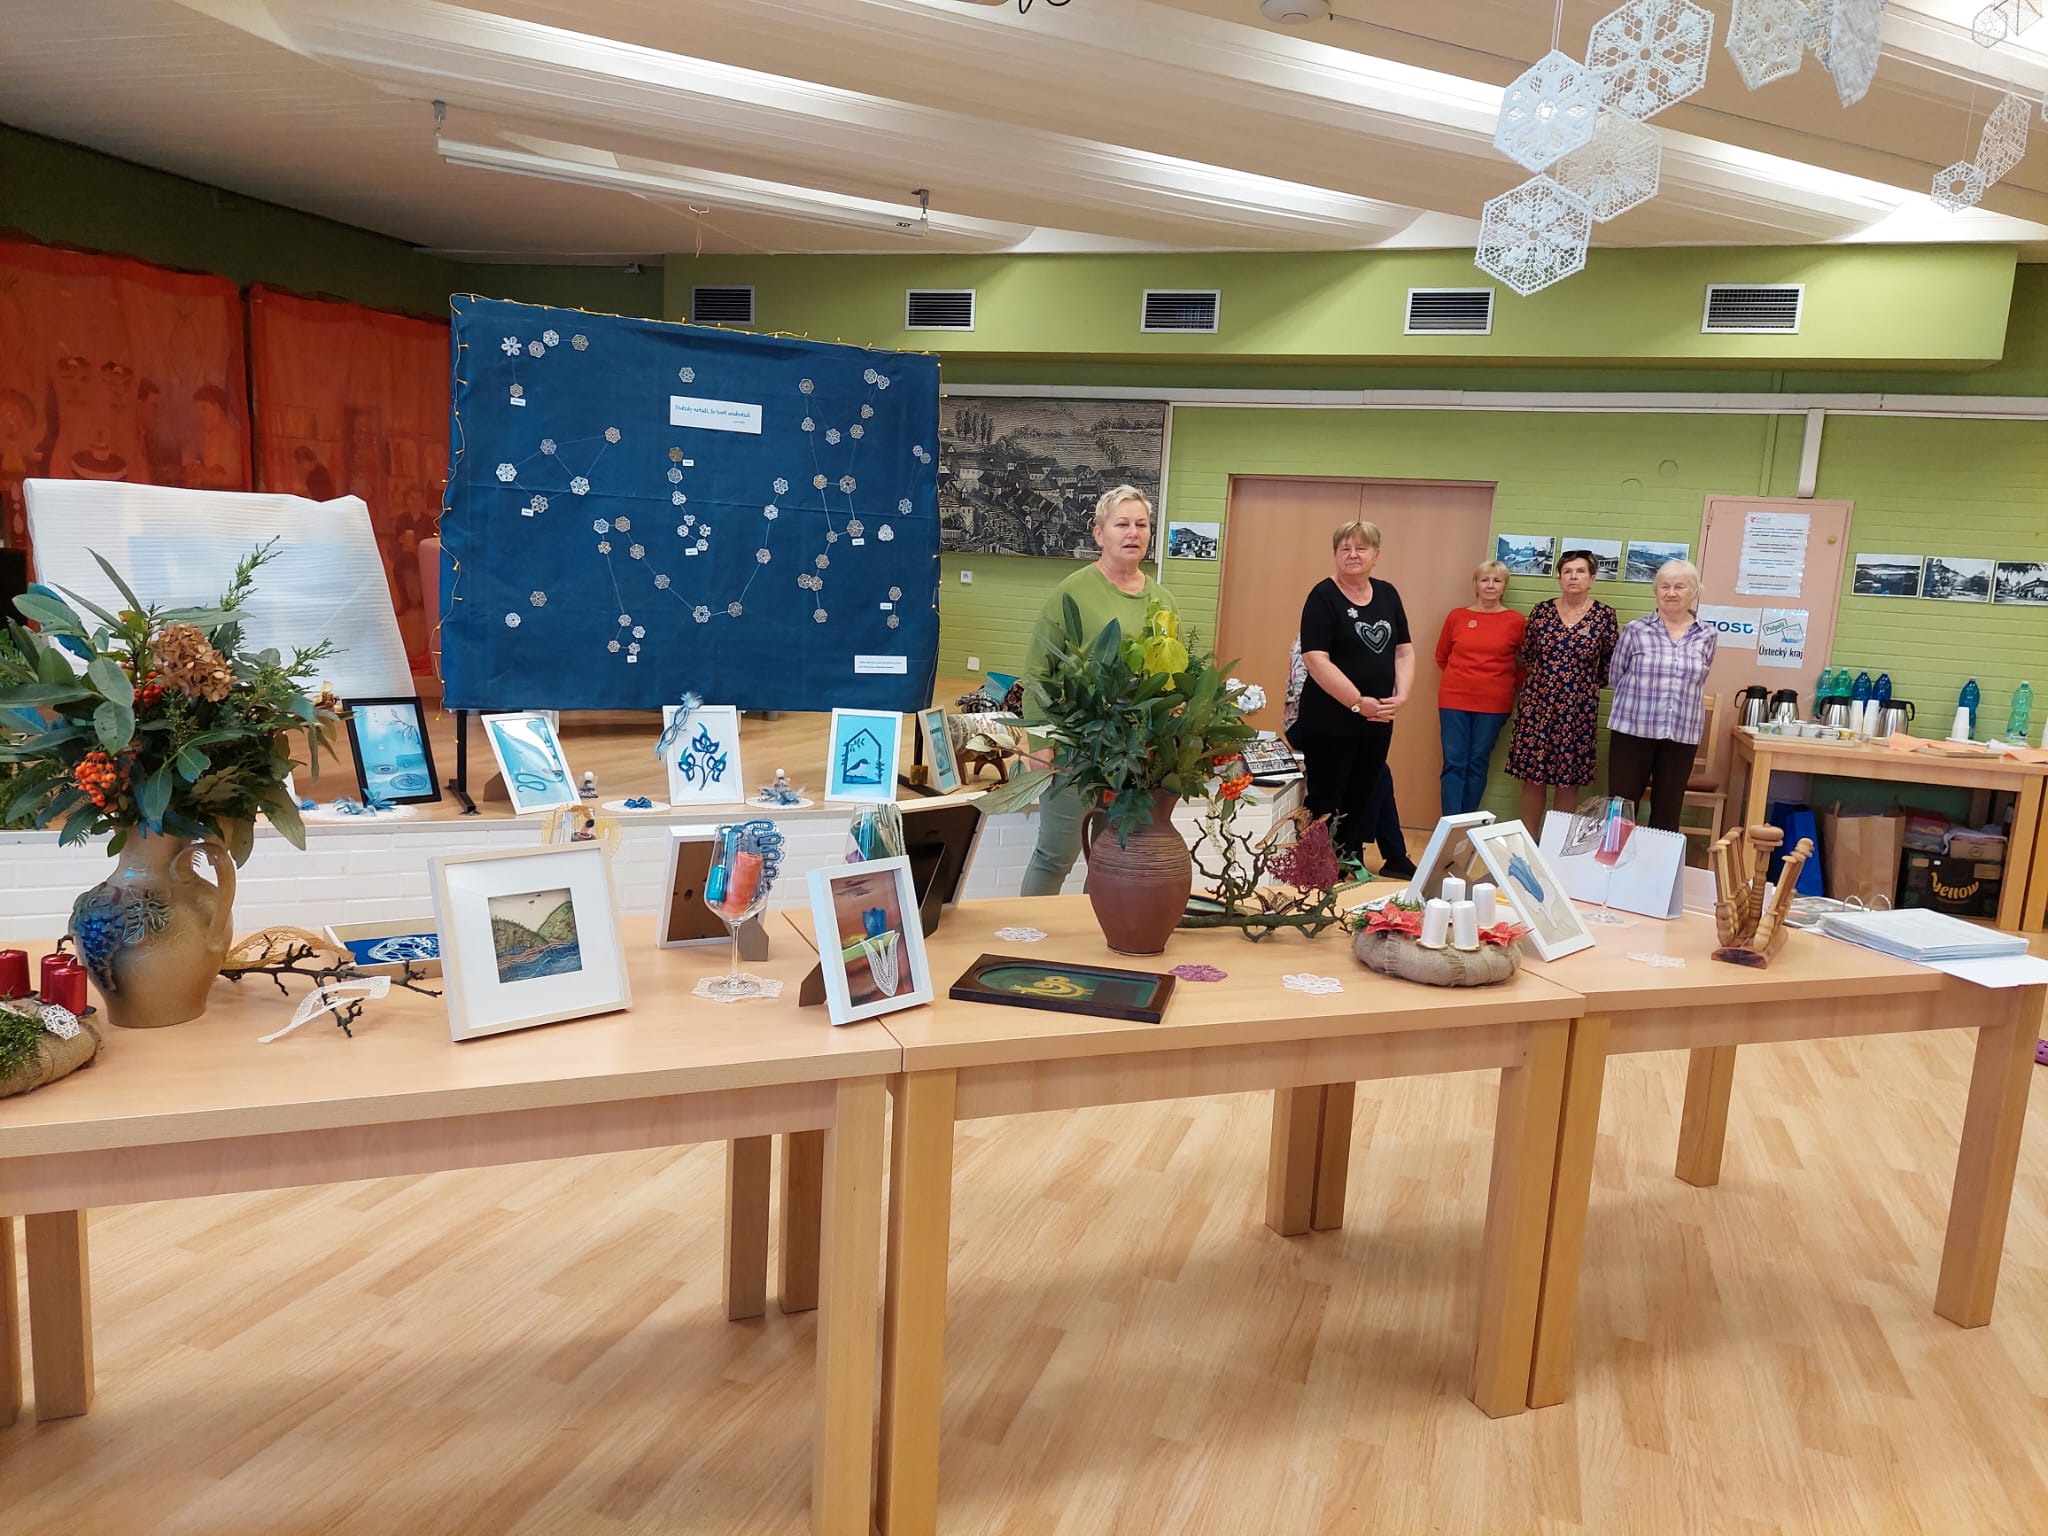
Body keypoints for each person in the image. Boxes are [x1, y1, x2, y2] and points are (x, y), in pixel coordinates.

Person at [1019, 485, 1175, 896]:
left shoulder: (1163, 600)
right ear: (1098, 533)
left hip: (1134, 754)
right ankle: (1025, 933)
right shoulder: (1072, 591)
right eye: (1122, 524)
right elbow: (1037, 671)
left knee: (1114, 858)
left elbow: (1170, 676)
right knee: (1055, 856)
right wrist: (1040, 743)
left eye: (1141, 524)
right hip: (1074, 748)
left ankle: (1100, 929)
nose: (1133, 533)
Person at [1291, 520, 1413, 866]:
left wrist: (1401, 696)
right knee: (1328, 798)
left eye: (1361, 548)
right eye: (1345, 548)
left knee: (1364, 793)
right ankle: (1317, 868)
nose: (1353, 554)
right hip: (1330, 720)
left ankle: (1349, 861)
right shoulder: (1322, 596)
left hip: (1377, 719)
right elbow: (1316, 659)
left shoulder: (1388, 594)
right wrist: (1358, 703)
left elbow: (1404, 650)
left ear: (1376, 554)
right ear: (1335, 554)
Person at [1506, 548, 1618, 835]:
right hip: (1538, 706)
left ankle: (1554, 845)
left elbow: (1609, 664)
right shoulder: (1542, 611)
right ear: (1559, 577)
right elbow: (1529, 654)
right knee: (1533, 777)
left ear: (1592, 578)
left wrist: (1578, 688)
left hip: (1578, 709)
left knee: (1568, 780)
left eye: (1580, 571)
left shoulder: (1604, 616)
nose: (1573, 577)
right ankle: (1529, 841)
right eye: (1567, 571)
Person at [1284, 638, 1413, 877]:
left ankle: (1374, 851)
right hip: (1309, 724)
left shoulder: (1359, 642)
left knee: (1375, 769)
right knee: (1376, 772)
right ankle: (1369, 850)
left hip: (1351, 725)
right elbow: (1309, 698)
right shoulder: (1309, 643)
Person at [1606, 558, 1717, 833]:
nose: (1671, 593)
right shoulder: (1635, 630)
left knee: (1668, 810)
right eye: (1664, 586)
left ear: (1694, 591)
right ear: (1656, 591)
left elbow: (1699, 679)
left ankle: (1658, 861)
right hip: (1633, 730)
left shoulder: (1707, 634)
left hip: (1681, 733)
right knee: (1621, 807)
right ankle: (1614, 859)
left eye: (1680, 586)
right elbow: (1615, 676)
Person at [1435, 558, 1526, 817]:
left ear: (1504, 586)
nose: (1490, 585)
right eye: (1485, 579)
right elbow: (1441, 656)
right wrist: (1464, 678)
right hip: (1454, 701)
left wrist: (1507, 681)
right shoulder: (1457, 616)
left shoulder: (1516, 621)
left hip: (1494, 704)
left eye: (1497, 580)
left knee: (1477, 762)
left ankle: (1467, 822)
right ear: (1475, 584)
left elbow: (1529, 662)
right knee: (1454, 763)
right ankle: (1450, 825)